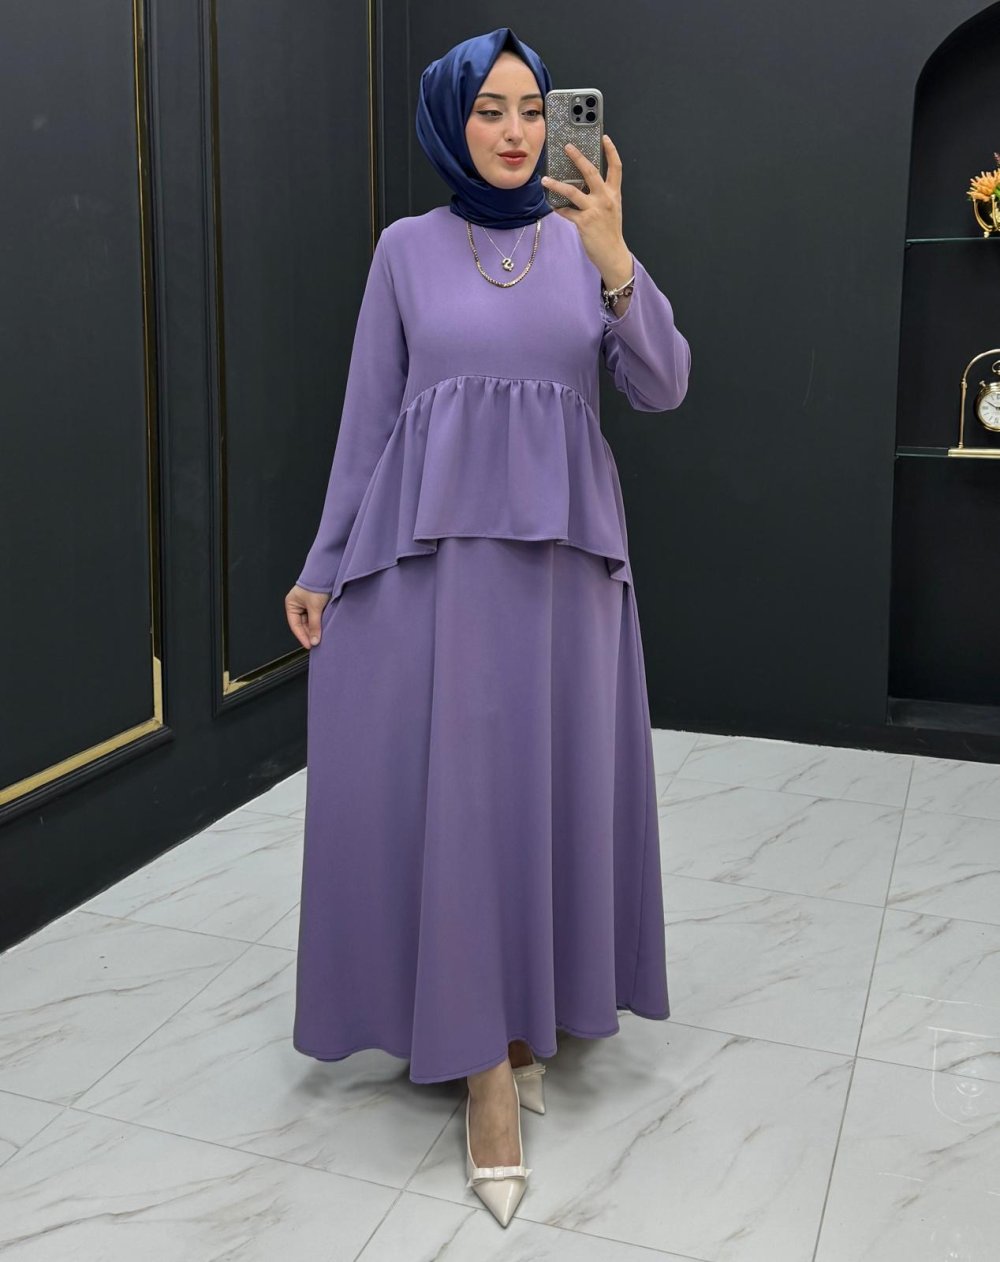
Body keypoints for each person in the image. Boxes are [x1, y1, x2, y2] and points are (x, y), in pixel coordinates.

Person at [284, 27, 691, 1228]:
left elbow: (661, 384)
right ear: (450, 121)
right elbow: (368, 420)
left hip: (565, 576)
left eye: (530, 108)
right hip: (437, 575)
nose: (515, 131)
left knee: (541, 790)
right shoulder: (405, 250)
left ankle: (523, 1015)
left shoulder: (585, 243)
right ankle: (482, 1070)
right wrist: (322, 563)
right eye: (489, 109)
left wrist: (616, 263)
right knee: (458, 798)